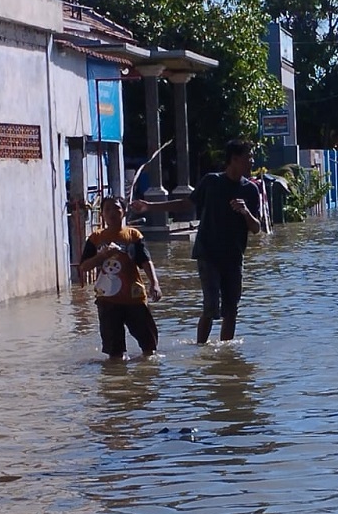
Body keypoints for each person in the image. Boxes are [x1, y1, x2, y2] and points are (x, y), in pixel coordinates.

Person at [130, 139, 262, 344]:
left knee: (231, 309)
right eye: (248, 157)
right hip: (208, 254)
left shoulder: (250, 190)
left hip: (234, 257)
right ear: (234, 160)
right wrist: (150, 207)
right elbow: (185, 204)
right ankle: (201, 349)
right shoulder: (211, 182)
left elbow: (256, 228)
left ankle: (226, 353)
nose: (251, 161)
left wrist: (245, 212)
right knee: (210, 306)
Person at [79, 196, 162, 360]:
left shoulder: (133, 235)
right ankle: (116, 382)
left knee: (149, 347)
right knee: (114, 352)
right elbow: (83, 267)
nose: (112, 213)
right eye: (107, 209)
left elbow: (145, 261)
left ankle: (145, 379)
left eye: (116, 208)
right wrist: (101, 256)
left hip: (134, 297)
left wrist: (155, 283)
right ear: (102, 214)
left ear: (123, 212)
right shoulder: (95, 238)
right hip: (107, 300)